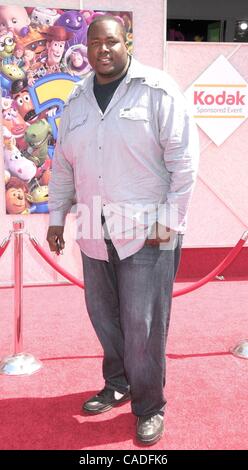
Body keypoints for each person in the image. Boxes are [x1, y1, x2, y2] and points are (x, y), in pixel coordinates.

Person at [46, 15, 199, 446]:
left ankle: (149, 405)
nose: (103, 50)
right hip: (95, 228)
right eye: (95, 43)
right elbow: (63, 167)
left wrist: (169, 221)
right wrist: (57, 217)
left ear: (126, 41)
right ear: (87, 49)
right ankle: (117, 382)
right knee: (104, 317)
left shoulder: (157, 89)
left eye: (111, 41)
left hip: (151, 230)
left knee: (144, 324)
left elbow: (184, 161)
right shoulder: (76, 101)